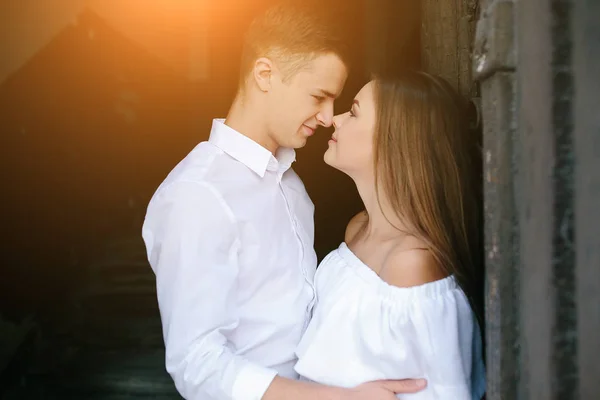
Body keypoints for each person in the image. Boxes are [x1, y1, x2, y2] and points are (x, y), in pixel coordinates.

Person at [141, 2, 426, 399]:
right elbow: (197, 364)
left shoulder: (291, 184)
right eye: (318, 96)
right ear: (265, 74)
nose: (328, 116)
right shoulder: (198, 194)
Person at [294, 72, 487, 399]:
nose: (335, 120)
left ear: (395, 140)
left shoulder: (412, 265)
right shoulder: (357, 228)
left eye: (353, 112)